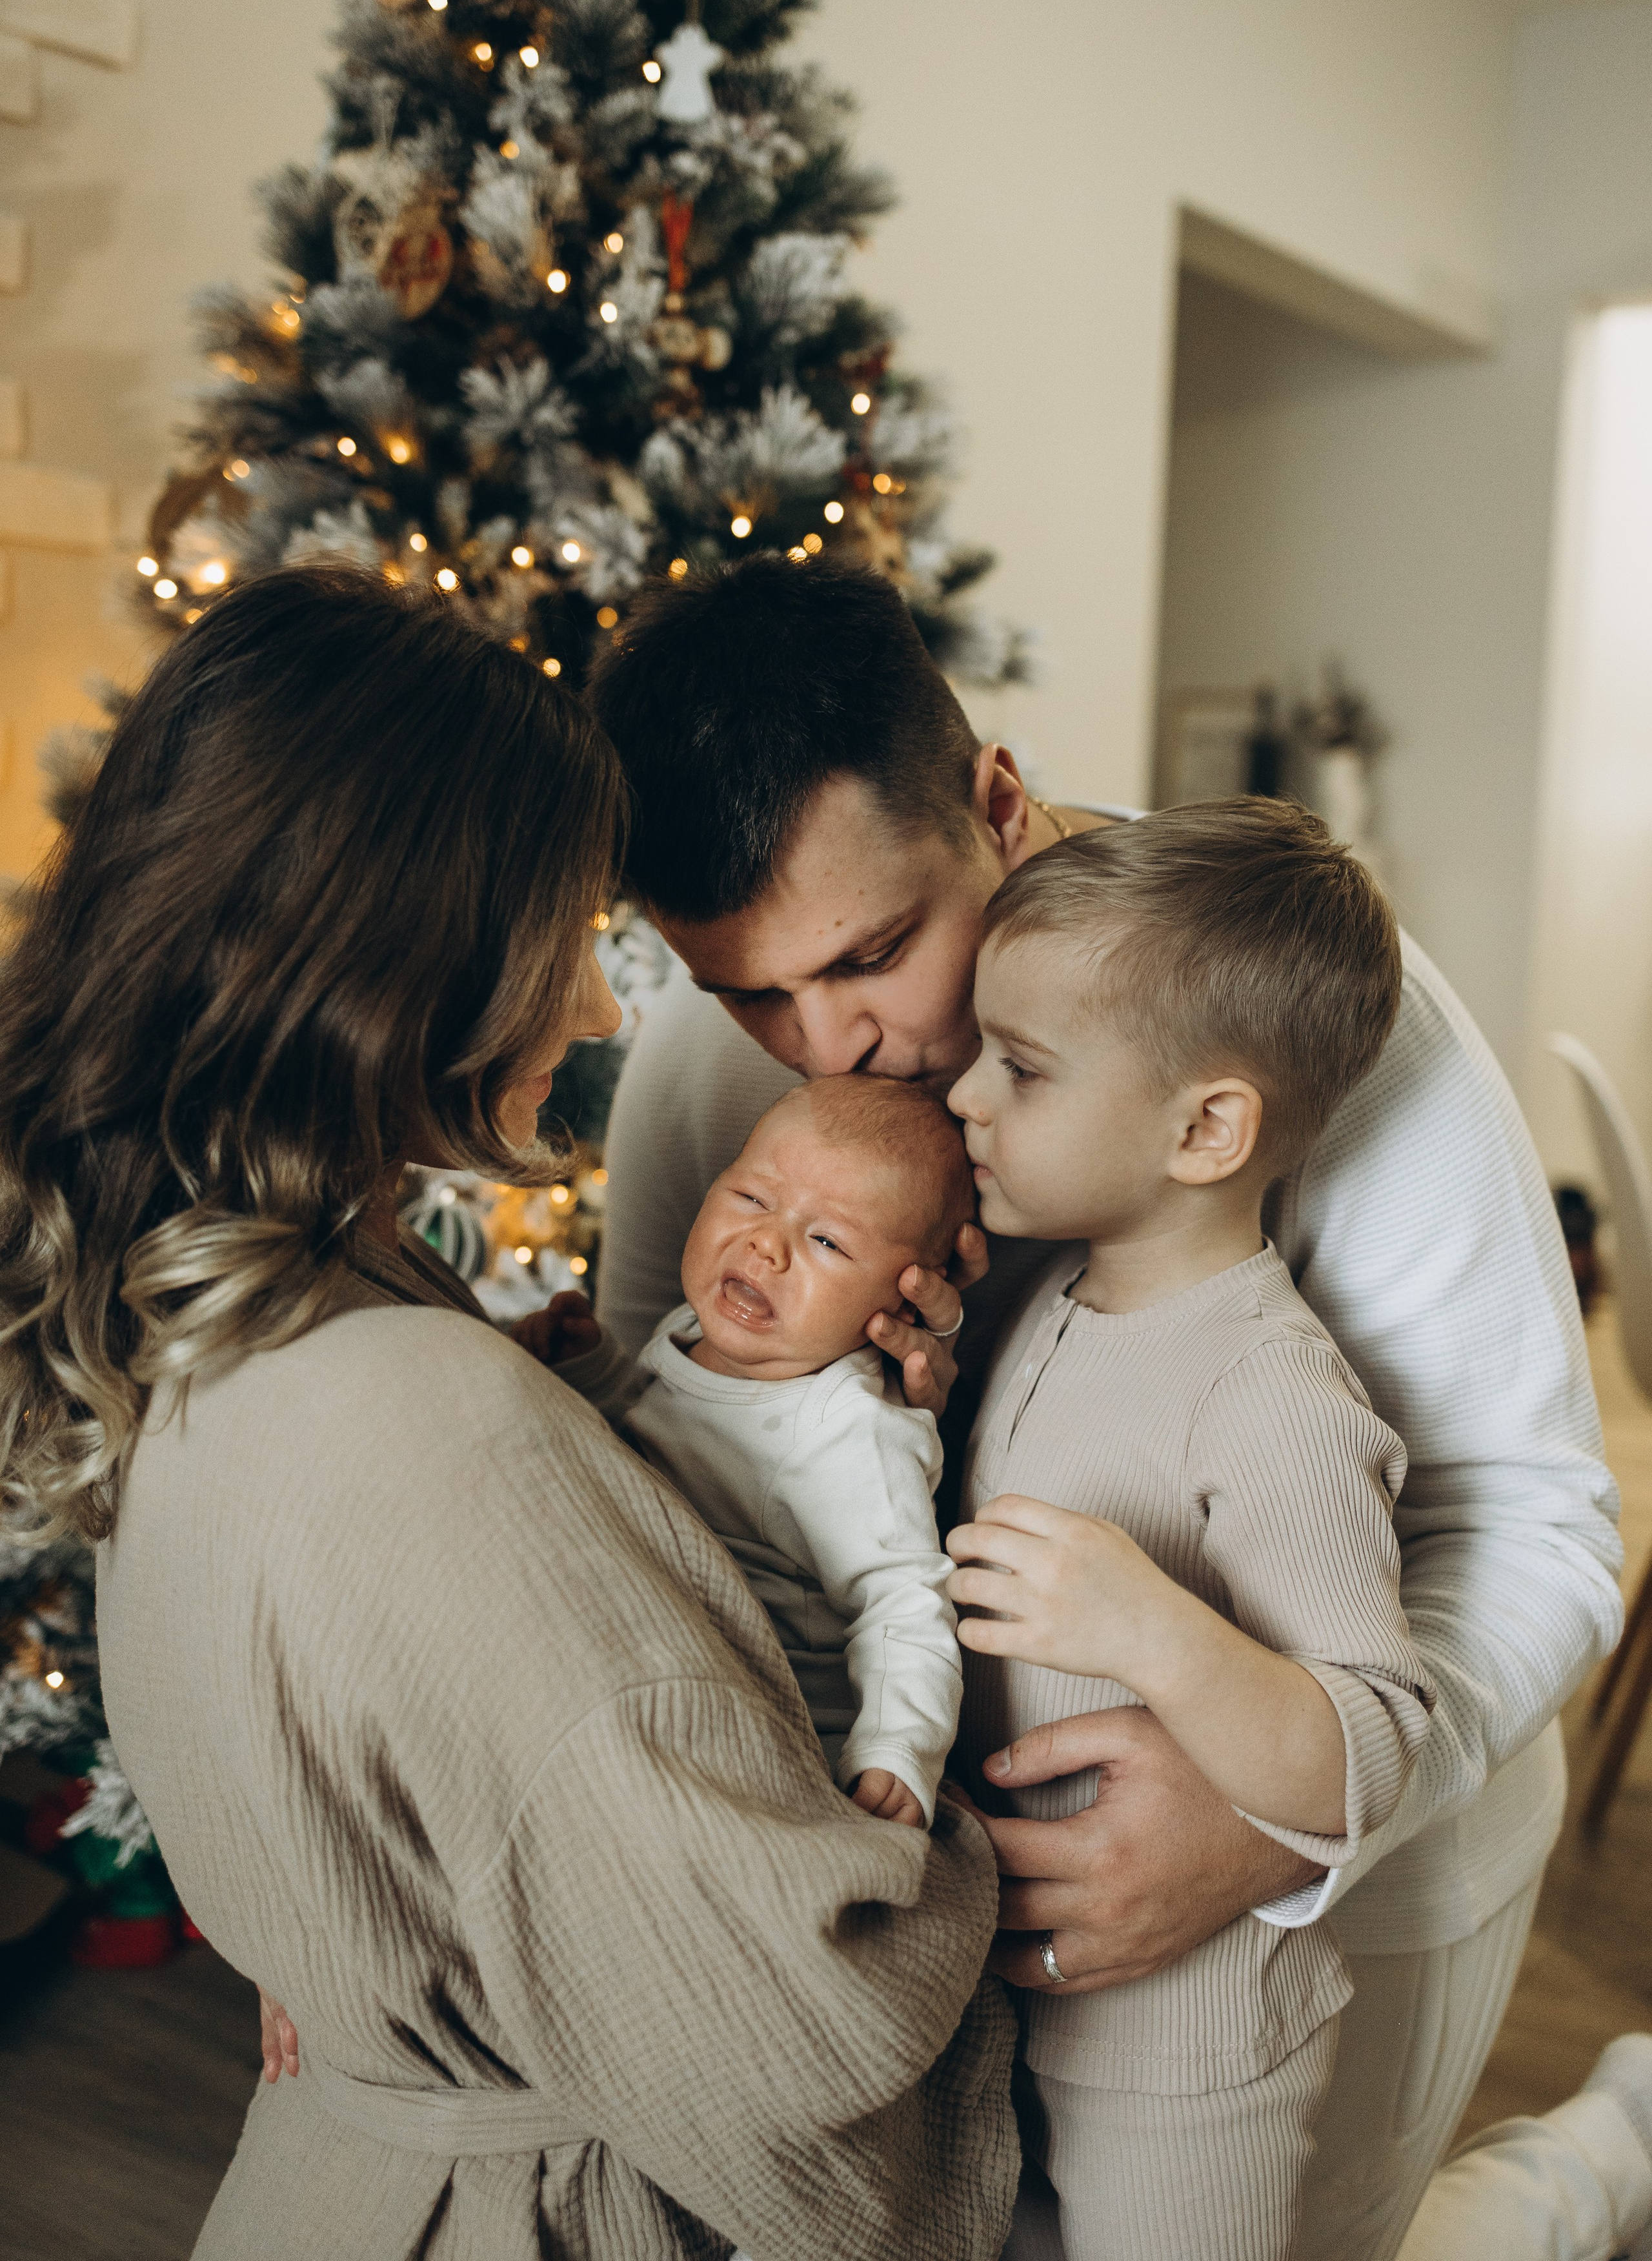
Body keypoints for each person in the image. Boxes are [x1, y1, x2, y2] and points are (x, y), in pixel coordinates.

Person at [589, 551, 1633, 2261]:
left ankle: (1576, 2179)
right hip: (964, 1880)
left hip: (1357, 1866)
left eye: (874, 952)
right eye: (746, 986)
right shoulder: (722, 1077)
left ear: (998, 803)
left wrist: (1276, 1822)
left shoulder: (1318, 1031)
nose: (822, 1043)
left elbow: (1536, 1523)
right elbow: (673, 1428)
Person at [0, 568, 1018, 2261]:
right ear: (409, 960)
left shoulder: (219, 1314)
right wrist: (966, 1829)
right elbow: (801, 2022)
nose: (608, 1009)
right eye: (564, 939)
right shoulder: (429, 1421)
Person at [943, 803, 1431, 2259]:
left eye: (1018, 1068)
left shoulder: (1268, 1393)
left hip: (1181, 2056)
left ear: (1207, 1128)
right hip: (1012, 1996)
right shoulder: (1054, 1296)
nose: (963, 1096)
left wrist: (1148, 1627)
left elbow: (1371, 1747)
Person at [525, 1075, 975, 1829]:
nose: (766, 1244)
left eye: (827, 1241)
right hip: (657, 1654)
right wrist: (597, 1371)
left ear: (902, 1304)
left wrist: (898, 1746)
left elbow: (902, 1600)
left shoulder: (847, 1428)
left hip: (778, 1732)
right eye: (750, 1200)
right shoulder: (699, 1328)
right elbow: (660, 1441)